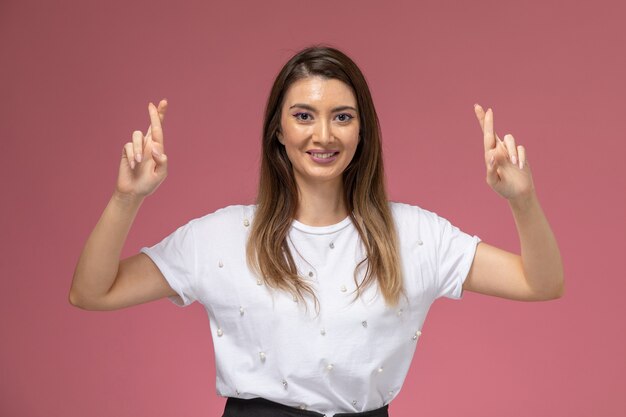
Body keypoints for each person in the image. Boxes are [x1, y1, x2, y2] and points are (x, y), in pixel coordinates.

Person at [69, 46, 564, 417]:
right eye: (303, 116)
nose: (323, 135)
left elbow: (540, 283)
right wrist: (126, 199)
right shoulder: (220, 237)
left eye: (342, 117)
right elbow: (92, 292)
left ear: (362, 130)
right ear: (278, 131)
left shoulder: (415, 235)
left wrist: (522, 201)